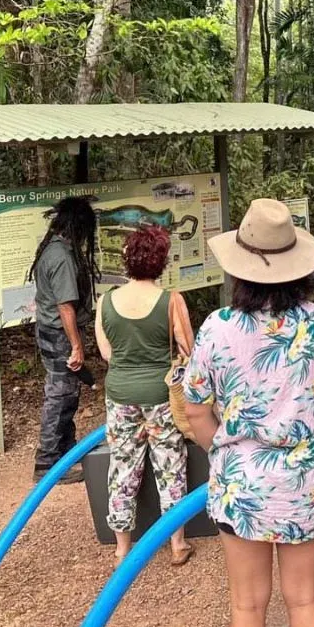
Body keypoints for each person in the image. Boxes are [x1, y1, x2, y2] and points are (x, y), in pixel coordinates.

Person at [183, 199, 314, 627]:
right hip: (305, 479)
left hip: (242, 482)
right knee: (307, 598)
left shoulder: (217, 328)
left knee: (246, 606)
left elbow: (196, 410)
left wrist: (225, 448)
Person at [94, 226, 195, 569]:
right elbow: (188, 349)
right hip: (160, 395)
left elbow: (107, 352)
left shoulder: (106, 301)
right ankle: (177, 543)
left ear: (128, 260)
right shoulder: (171, 301)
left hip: (120, 393)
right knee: (170, 465)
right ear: (162, 261)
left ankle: (122, 548)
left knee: (122, 467)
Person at [27, 196, 100, 484]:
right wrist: (76, 346)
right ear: (78, 226)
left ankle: (66, 452)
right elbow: (65, 306)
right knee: (59, 395)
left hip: (51, 330)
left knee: (67, 392)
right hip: (59, 334)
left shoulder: (54, 248)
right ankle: (46, 463)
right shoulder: (61, 257)